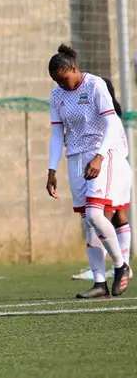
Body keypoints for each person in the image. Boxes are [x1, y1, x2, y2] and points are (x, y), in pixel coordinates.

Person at [46, 44, 131, 298]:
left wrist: (99, 157)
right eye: (56, 81)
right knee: (88, 221)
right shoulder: (56, 95)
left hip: (98, 155)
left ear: (74, 69)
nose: (61, 84)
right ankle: (99, 283)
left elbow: (112, 123)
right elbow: (56, 134)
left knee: (96, 214)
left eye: (64, 79)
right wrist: (51, 169)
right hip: (74, 158)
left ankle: (121, 265)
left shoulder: (95, 85)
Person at [70, 78, 132, 293]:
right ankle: (113, 269)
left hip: (113, 169)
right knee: (104, 217)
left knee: (99, 216)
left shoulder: (109, 119)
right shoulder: (101, 117)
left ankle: (118, 266)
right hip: (113, 169)